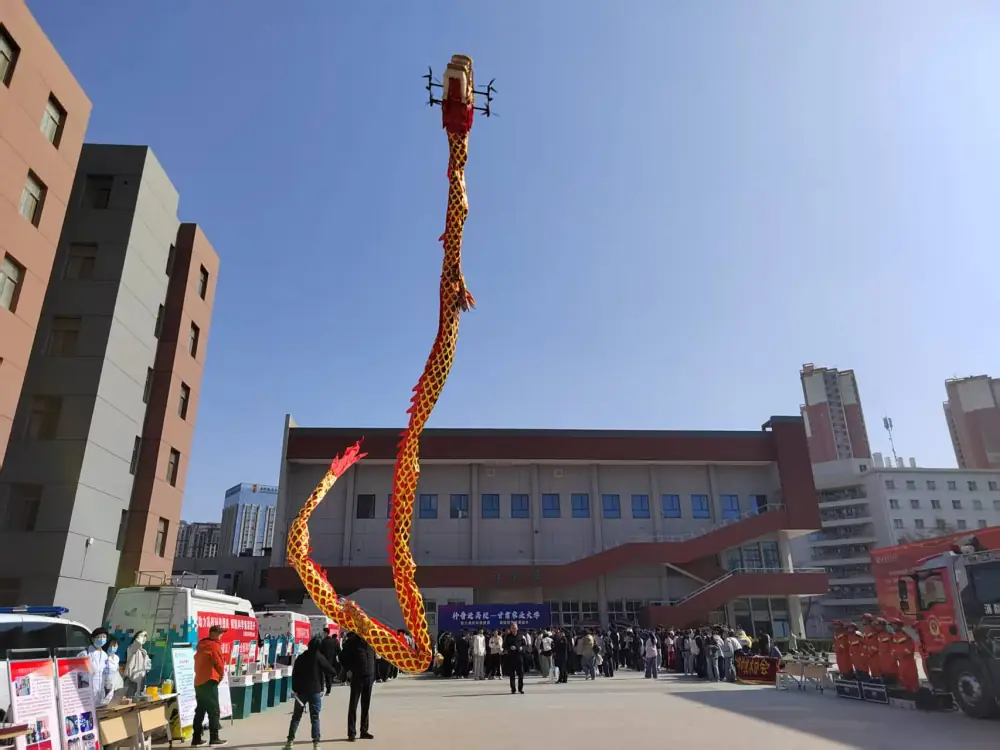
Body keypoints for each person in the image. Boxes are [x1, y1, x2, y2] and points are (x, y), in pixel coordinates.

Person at [284, 637, 338, 750]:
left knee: (296, 717)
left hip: (301, 691)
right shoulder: (319, 657)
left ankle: (290, 742)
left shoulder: (301, 657)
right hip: (315, 691)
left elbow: (295, 674)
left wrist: (295, 689)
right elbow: (331, 671)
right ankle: (316, 743)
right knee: (315, 717)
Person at [192, 625, 227, 747]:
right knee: (214, 710)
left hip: (199, 681)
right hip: (210, 680)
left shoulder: (201, 646)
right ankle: (214, 738)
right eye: (219, 633)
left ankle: (196, 739)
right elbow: (219, 663)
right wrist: (221, 676)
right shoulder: (214, 646)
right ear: (213, 634)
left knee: (200, 710)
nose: (221, 635)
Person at [341, 632, 375, 741]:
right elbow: (342, 656)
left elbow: (373, 657)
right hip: (357, 676)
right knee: (353, 705)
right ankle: (351, 733)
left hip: (369, 677)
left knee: (366, 705)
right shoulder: (351, 642)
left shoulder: (371, 641)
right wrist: (348, 669)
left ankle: (364, 731)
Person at [79, 628, 112, 708]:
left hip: (100, 691)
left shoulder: (105, 655)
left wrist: (108, 685)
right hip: (88, 690)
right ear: (93, 639)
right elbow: (78, 674)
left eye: (104, 637)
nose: (102, 639)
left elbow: (106, 671)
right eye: (100, 637)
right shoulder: (85, 654)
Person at [124, 631, 151, 698]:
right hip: (131, 681)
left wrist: (147, 668)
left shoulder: (144, 652)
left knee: (138, 700)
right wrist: (143, 633)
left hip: (141, 681)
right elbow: (138, 643)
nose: (144, 638)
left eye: (145, 637)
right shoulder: (131, 648)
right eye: (142, 636)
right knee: (129, 699)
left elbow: (147, 667)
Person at [502, 623, 524, 694]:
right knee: (512, 674)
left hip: (519, 657)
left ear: (517, 628)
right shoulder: (508, 636)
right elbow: (504, 646)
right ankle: (513, 689)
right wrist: (509, 647)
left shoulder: (521, 636)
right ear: (511, 629)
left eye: (515, 627)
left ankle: (520, 688)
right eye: (512, 628)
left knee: (521, 674)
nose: (514, 629)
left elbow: (525, 645)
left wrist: (522, 648)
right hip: (511, 657)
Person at [320, 629, 341, 695]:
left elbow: (320, 651)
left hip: (325, 660)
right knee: (329, 675)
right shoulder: (334, 641)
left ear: (326, 633)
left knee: (324, 675)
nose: (323, 634)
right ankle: (328, 690)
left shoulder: (323, 641)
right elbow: (339, 650)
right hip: (333, 661)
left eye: (324, 633)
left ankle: (324, 689)